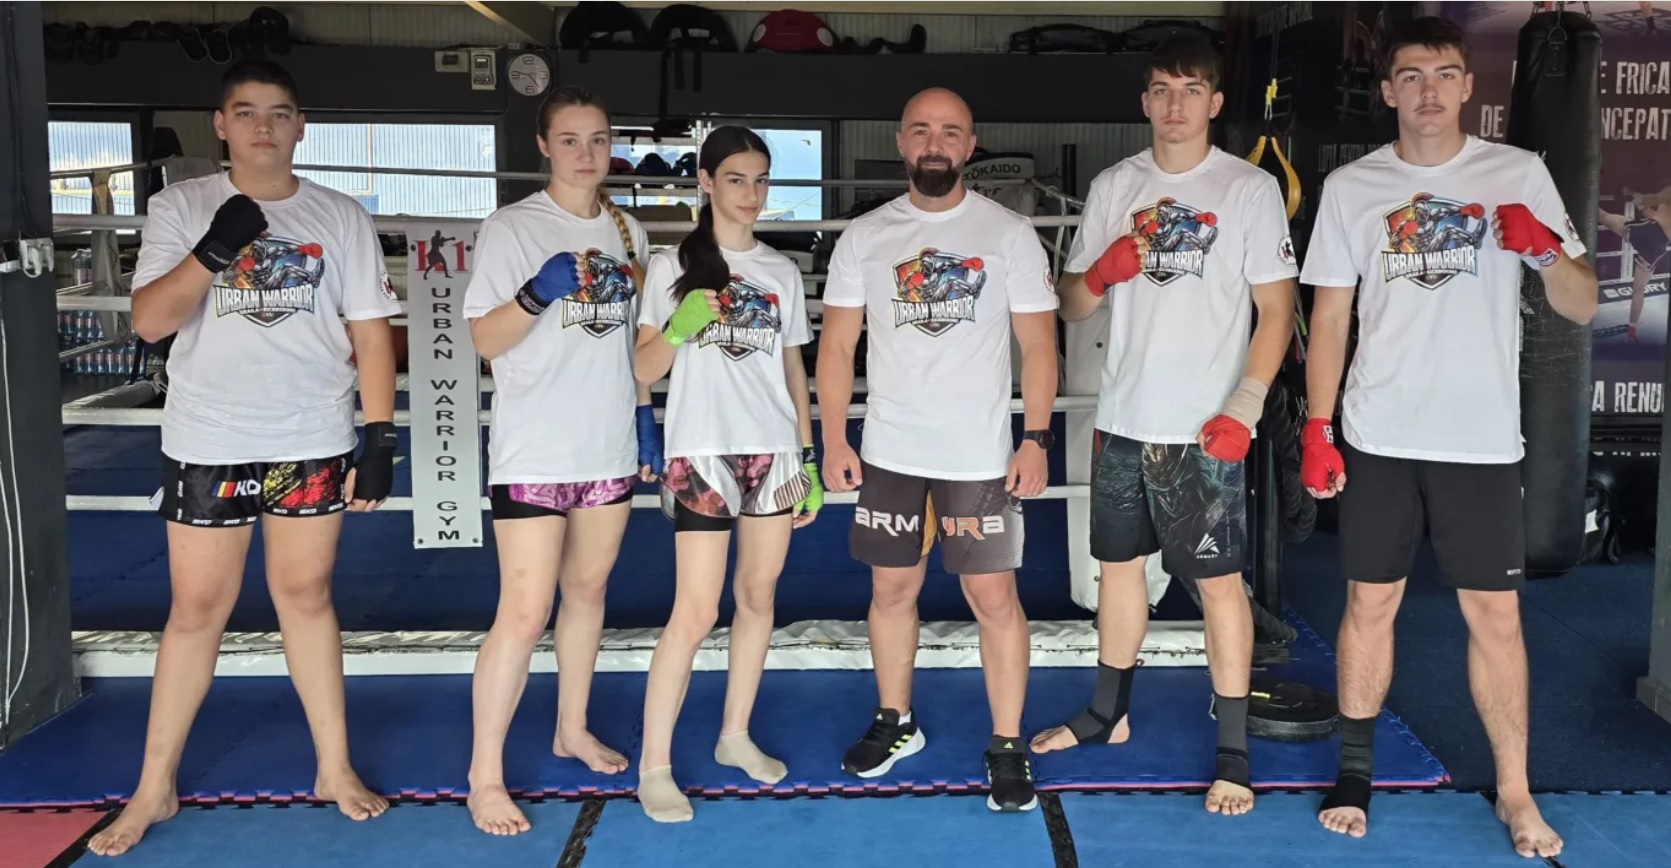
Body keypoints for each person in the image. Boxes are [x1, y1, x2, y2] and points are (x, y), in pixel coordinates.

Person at [1298, 17, 1596, 859]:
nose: (1427, 90)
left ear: (1467, 86)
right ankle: (1354, 774)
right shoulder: (1353, 186)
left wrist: (1546, 251)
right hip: (1379, 431)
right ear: (1387, 90)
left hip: (1479, 439)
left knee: (1495, 617)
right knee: (1369, 602)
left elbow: (1579, 304)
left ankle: (1515, 791)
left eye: (1442, 74)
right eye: (1410, 75)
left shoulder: (1518, 173)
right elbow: (1330, 317)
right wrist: (1317, 425)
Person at [87, 59, 401, 857]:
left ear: (301, 126)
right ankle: (154, 786)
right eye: (248, 112)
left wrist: (379, 437)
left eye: (280, 112)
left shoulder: (339, 216)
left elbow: (370, 334)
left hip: (310, 434)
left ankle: (333, 766)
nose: (265, 126)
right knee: (197, 610)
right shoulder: (181, 206)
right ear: (221, 125)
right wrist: (214, 249)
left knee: (307, 596)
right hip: (211, 438)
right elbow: (150, 322)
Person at [1027, 35, 1298, 818]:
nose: (1174, 104)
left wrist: (1246, 405)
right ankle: (1106, 713)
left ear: (1214, 102)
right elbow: (1072, 304)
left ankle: (1233, 752)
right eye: (1160, 89)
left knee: (1218, 584)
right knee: (1118, 571)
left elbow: (1276, 309)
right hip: (1123, 416)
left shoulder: (1247, 189)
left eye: (1190, 89)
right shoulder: (1116, 185)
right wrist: (1100, 272)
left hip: (1204, 427)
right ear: (1144, 101)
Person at [818, 87, 1060, 814]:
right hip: (892, 451)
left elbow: (1039, 344)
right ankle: (896, 720)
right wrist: (834, 436)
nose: (934, 143)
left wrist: (1036, 436)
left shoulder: (1008, 234)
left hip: (979, 455)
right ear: (900, 141)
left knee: (994, 598)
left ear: (969, 145)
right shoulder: (865, 236)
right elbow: (837, 344)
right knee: (891, 592)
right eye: (921, 130)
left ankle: (1007, 744)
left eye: (949, 132)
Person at [460, 86, 660, 837]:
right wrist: (533, 294)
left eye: (598, 139)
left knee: (587, 592)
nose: (586, 153)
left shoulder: (628, 230)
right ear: (543, 145)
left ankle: (570, 728)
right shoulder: (512, 227)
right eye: (570, 140)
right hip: (536, 448)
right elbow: (484, 341)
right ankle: (484, 775)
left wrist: (644, 417)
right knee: (522, 611)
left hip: (606, 444)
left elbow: (633, 345)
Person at [630, 126, 823, 823]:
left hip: (771, 450)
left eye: (761, 179)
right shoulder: (671, 265)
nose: (751, 193)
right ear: (706, 182)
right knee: (694, 610)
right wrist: (677, 328)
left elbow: (793, 369)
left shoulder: (780, 271)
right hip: (703, 451)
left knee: (759, 596)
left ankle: (734, 735)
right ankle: (654, 766)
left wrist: (807, 455)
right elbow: (641, 368)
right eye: (736, 178)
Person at [1598, 186, 1669, 343]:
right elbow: (1653, 214)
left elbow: (1649, 200)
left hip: (1648, 233)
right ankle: (1632, 331)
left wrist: (1632, 194)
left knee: (1603, 216)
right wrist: (1637, 201)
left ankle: (1576, 197)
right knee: (1639, 289)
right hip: (1658, 246)